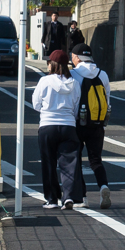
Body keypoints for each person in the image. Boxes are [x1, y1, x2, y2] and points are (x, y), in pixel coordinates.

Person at [32, 49, 82, 210]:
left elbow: (36, 104)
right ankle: (68, 197)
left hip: (47, 125)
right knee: (69, 164)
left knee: (48, 163)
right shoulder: (74, 83)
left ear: (52, 64)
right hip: (68, 126)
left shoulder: (44, 82)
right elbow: (76, 107)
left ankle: (52, 199)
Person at [69, 43, 112, 209]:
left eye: (72, 56)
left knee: (76, 160)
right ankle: (103, 186)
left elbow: (72, 101)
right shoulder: (103, 74)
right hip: (98, 124)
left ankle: (83, 197)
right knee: (96, 160)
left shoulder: (74, 74)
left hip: (79, 123)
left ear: (78, 57)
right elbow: (107, 99)